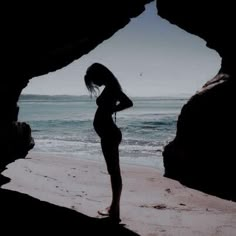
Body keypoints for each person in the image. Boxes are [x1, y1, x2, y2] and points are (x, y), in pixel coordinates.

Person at [84, 63, 133, 223]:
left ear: (100, 75)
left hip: (110, 134)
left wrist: (112, 110)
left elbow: (128, 103)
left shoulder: (112, 88)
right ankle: (114, 208)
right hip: (108, 134)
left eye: (93, 79)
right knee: (113, 172)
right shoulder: (111, 87)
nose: (94, 84)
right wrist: (111, 110)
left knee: (114, 172)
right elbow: (126, 103)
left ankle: (115, 211)